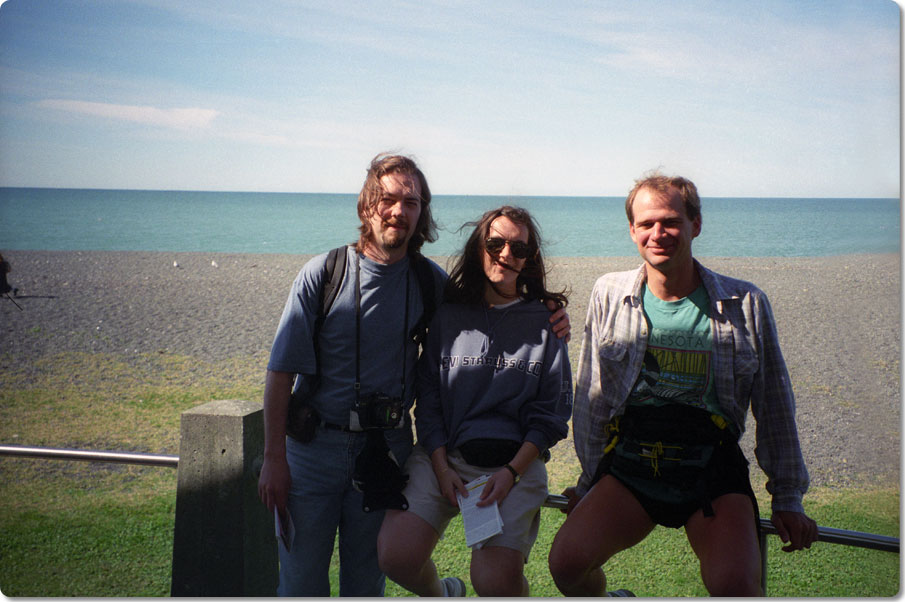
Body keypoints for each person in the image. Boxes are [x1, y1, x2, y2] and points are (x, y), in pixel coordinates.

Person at [257, 155, 570, 597]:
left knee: (366, 583)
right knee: (301, 582)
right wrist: (274, 458)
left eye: (411, 201)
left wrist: (551, 314)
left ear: (422, 213)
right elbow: (279, 372)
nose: (398, 210)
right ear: (367, 205)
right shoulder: (323, 274)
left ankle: (445, 592)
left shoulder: (430, 283)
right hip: (313, 452)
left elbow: (497, 302)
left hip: (385, 451)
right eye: (387, 198)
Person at [547, 171, 818, 597]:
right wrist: (589, 482)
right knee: (565, 565)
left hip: (711, 465)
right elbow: (592, 397)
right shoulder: (609, 293)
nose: (659, 233)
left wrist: (787, 498)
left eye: (671, 221)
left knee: (736, 587)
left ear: (695, 224)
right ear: (632, 230)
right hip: (634, 459)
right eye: (647, 223)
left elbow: (775, 404)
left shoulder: (745, 303)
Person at [377, 206, 572, 597]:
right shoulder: (448, 316)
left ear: (529, 259)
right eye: (495, 243)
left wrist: (512, 473)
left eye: (518, 248)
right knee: (396, 556)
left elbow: (550, 416)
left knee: (494, 580)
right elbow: (428, 399)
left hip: (515, 466)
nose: (505, 254)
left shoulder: (546, 323)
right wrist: (441, 466)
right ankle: (444, 594)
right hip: (444, 459)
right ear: (478, 248)